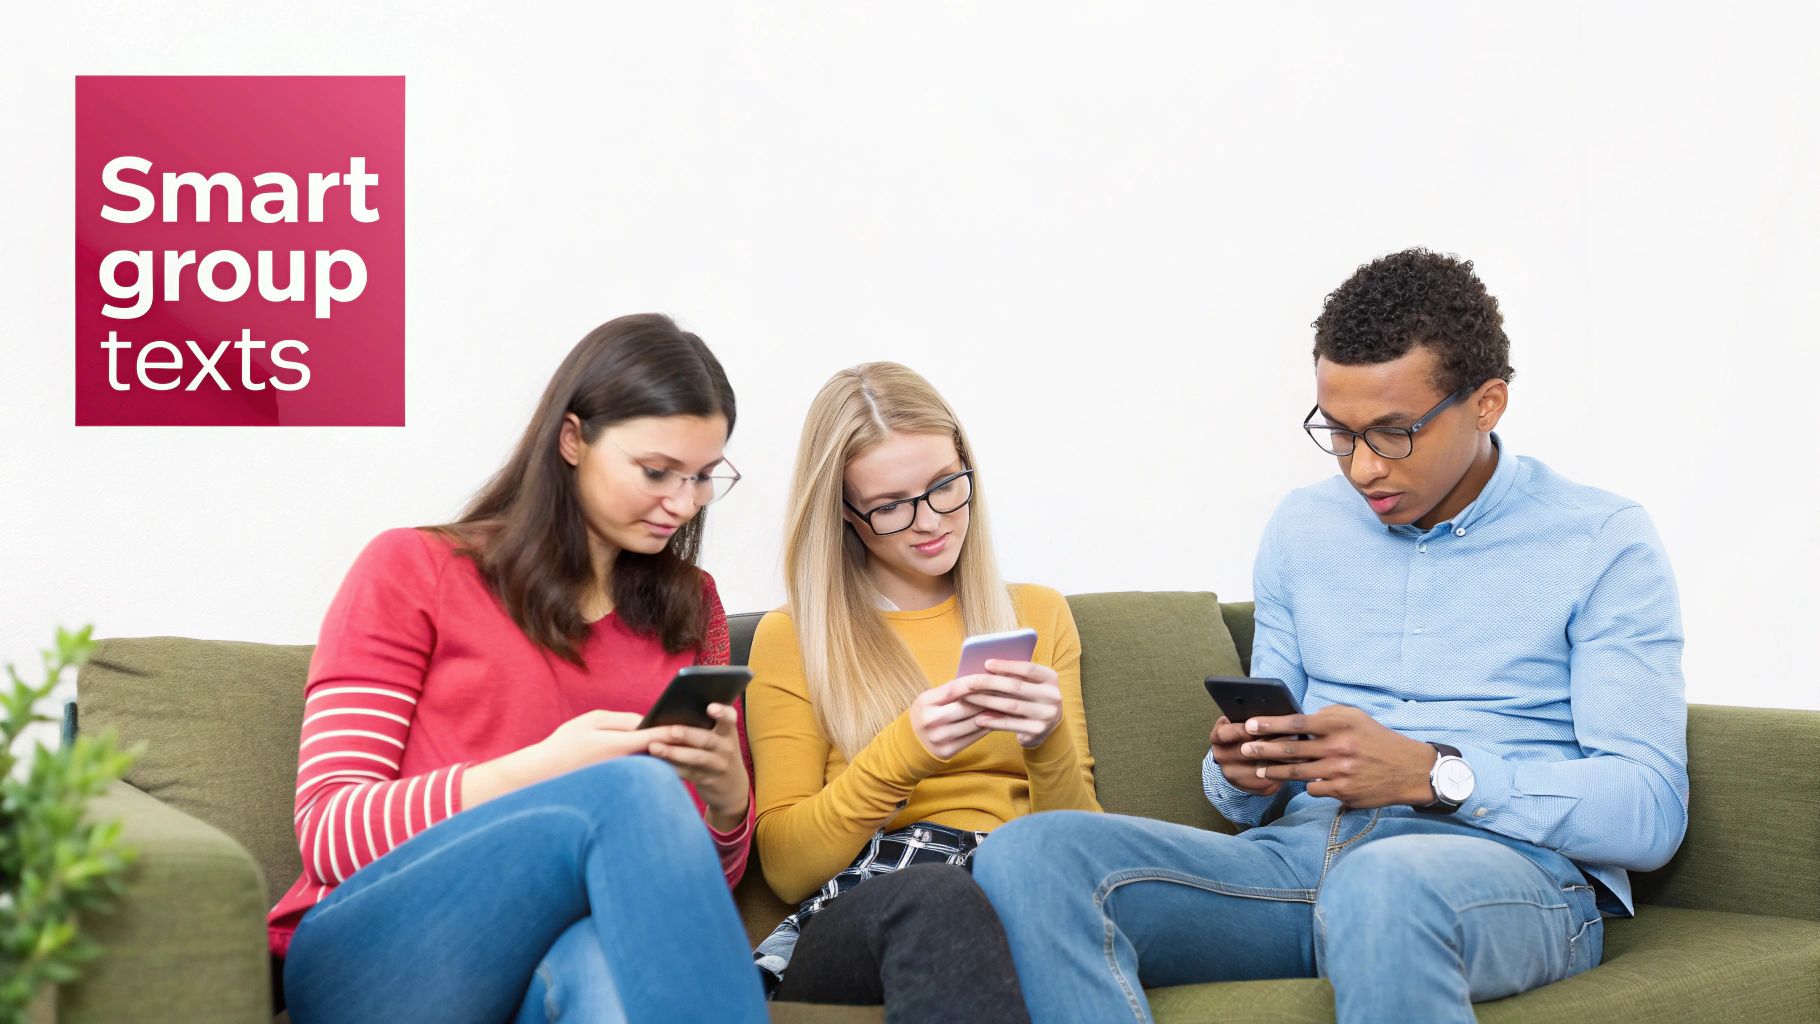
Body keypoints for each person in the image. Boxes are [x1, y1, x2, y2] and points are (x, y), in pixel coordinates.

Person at [973, 249, 1689, 1023]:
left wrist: (1433, 774)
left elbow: (1650, 810)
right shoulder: (1302, 528)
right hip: (1297, 864)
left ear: (1486, 404)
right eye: (1339, 433)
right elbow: (1263, 777)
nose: (1361, 469)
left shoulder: (1601, 540)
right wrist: (1247, 772)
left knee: (1385, 886)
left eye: (1391, 433)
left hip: (1507, 879)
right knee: (1031, 854)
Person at [272, 314, 769, 1024]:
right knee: (627, 790)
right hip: (373, 959)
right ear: (573, 439)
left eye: (702, 477)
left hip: (559, 954)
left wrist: (726, 808)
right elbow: (328, 831)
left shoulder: (693, 607)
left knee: (604, 968)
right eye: (657, 472)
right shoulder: (412, 568)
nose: (683, 503)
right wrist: (538, 770)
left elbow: (675, 913)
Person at [745, 362, 1101, 1022]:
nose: (929, 520)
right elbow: (788, 869)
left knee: (1029, 892)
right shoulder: (794, 635)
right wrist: (904, 750)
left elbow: (1083, 849)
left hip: (1012, 881)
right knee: (936, 895)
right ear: (845, 514)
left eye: (945, 487)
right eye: (889, 506)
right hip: (870, 906)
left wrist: (1046, 741)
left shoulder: (1039, 613)